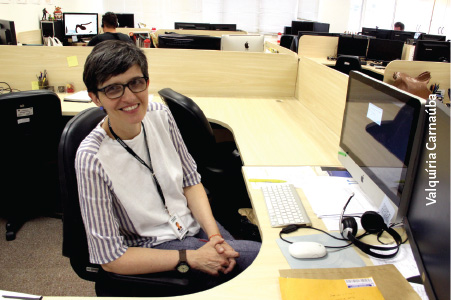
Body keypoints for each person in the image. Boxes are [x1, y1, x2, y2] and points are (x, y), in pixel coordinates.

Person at [76, 40, 261, 295]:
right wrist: (190, 258)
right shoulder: (92, 158)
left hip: (192, 227)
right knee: (263, 261)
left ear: (147, 82)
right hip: (153, 247)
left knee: (242, 261)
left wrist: (214, 235)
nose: (129, 97)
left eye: (136, 83)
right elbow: (110, 259)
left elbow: (190, 180)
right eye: (113, 89)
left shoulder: (159, 115)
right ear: (95, 97)